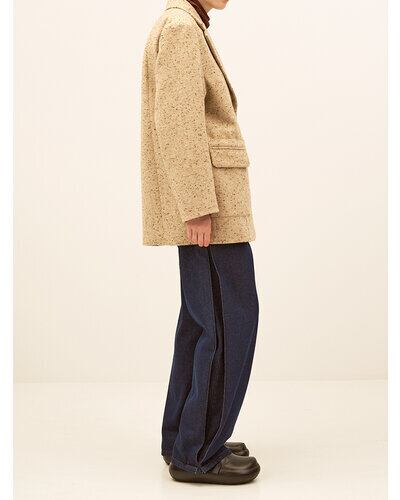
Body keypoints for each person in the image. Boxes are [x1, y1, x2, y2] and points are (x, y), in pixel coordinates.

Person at [140, 0, 260, 485]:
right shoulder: (180, 28)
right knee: (229, 321)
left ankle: (185, 438)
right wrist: (196, 206)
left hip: (208, 203)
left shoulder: (184, 24)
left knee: (201, 321)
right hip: (210, 209)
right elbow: (178, 123)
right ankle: (198, 452)